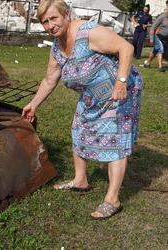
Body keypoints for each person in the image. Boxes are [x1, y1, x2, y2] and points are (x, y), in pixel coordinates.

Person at [22, 0, 143, 219]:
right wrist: (34, 104)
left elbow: (126, 47)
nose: (50, 25)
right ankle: (80, 180)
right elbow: (50, 80)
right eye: (45, 22)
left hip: (120, 90)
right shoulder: (57, 48)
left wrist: (121, 82)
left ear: (66, 14)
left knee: (115, 138)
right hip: (91, 97)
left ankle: (112, 200)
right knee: (79, 129)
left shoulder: (88, 33)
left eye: (53, 18)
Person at [143, 7, 168, 72]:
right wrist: (151, 38)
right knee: (161, 49)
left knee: (155, 51)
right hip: (158, 36)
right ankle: (160, 67)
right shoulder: (162, 17)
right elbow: (153, 27)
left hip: (165, 38)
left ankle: (147, 63)